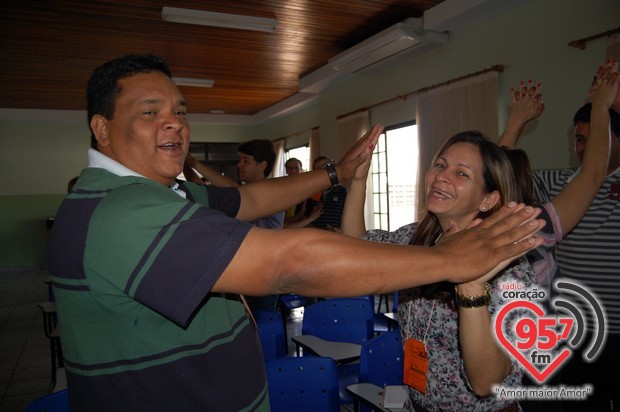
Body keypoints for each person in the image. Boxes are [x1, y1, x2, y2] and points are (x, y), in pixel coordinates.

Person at [47, 54, 544, 411]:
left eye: (179, 110)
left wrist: (335, 174)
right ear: (102, 128)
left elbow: (250, 199)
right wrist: (455, 262)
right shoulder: (124, 211)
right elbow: (289, 265)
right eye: (150, 112)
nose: (174, 123)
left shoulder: (164, 195)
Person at [343, 131, 536, 411]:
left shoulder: (508, 267)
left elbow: (487, 383)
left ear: (488, 200)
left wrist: (470, 286)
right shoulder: (417, 238)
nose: (442, 176)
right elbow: (355, 250)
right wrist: (358, 180)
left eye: (462, 174)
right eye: (441, 165)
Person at [498, 60, 620, 411]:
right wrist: (516, 122)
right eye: (578, 140)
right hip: (577, 333)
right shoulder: (557, 185)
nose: (583, 147)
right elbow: (498, 180)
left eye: (592, 137)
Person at [282, 157, 324, 228]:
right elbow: (281, 220)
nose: (293, 171)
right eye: (290, 168)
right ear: (286, 170)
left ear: (301, 169)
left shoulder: (312, 188)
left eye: (296, 168)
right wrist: (297, 217)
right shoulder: (282, 190)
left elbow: (316, 212)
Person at [311, 156, 348, 231]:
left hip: (338, 237)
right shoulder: (310, 194)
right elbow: (303, 221)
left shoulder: (342, 191)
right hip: (315, 237)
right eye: (320, 169)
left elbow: (350, 218)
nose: (326, 171)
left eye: (328, 167)